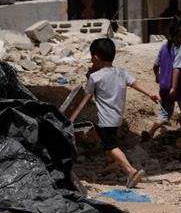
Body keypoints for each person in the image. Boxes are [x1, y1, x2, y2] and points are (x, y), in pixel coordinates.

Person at [67, 38, 159, 188]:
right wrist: (150, 94)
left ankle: (130, 171)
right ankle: (110, 163)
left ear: (95, 57)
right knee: (103, 137)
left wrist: (71, 119)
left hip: (105, 119)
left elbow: (85, 99)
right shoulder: (121, 72)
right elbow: (134, 83)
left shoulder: (95, 77)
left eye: (91, 57)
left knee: (111, 146)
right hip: (116, 117)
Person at [148, 15, 181, 138]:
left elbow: (155, 66)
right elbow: (177, 68)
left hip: (164, 86)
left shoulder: (164, 46)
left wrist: (157, 77)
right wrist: (174, 87)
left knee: (164, 113)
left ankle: (151, 132)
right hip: (178, 87)